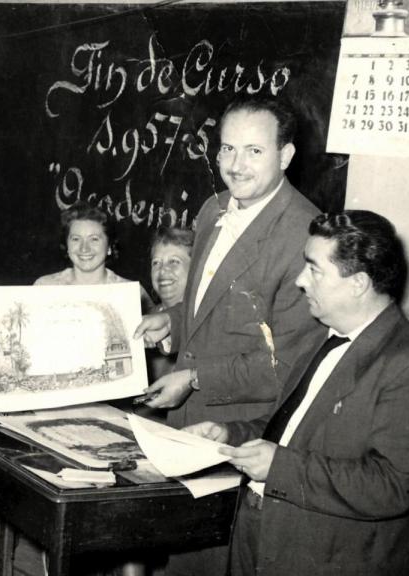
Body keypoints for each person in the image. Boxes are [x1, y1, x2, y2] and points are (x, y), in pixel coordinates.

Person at [186, 211, 409, 576]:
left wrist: (278, 466)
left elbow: (392, 485)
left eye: (314, 269)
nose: (300, 281)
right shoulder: (323, 339)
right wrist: (230, 435)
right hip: (260, 540)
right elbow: (291, 428)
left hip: (328, 560)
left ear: (358, 283)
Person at [134, 93, 321, 428]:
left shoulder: (307, 238)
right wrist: (173, 323)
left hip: (239, 431)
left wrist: (194, 378)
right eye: (228, 148)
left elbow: (289, 364)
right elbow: (215, 302)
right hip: (185, 420)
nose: (236, 165)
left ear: (285, 155)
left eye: (254, 151)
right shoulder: (213, 208)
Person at [35, 201, 153, 311]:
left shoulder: (132, 292)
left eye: (94, 239)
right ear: (67, 245)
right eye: (76, 239)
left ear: (109, 247)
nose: (84, 248)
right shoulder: (44, 286)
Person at [146, 226, 194, 382]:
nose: (162, 270)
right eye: (156, 263)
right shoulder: (146, 320)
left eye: (174, 261)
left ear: (195, 268)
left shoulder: (206, 320)